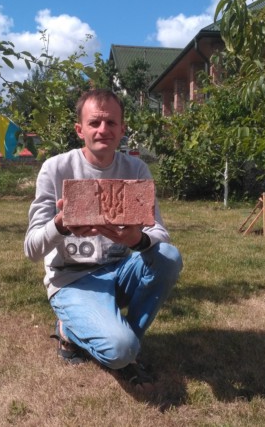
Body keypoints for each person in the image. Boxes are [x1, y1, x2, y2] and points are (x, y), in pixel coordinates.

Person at [24, 89, 182, 385]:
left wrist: (136, 240)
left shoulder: (135, 169)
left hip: (119, 271)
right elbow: (31, 249)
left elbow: (159, 232)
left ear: (122, 129)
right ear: (79, 129)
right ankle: (71, 330)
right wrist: (60, 225)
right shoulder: (55, 169)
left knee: (168, 257)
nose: (103, 130)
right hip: (71, 279)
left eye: (111, 122)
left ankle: (127, 343)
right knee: (120, 350)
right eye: (94, 122)